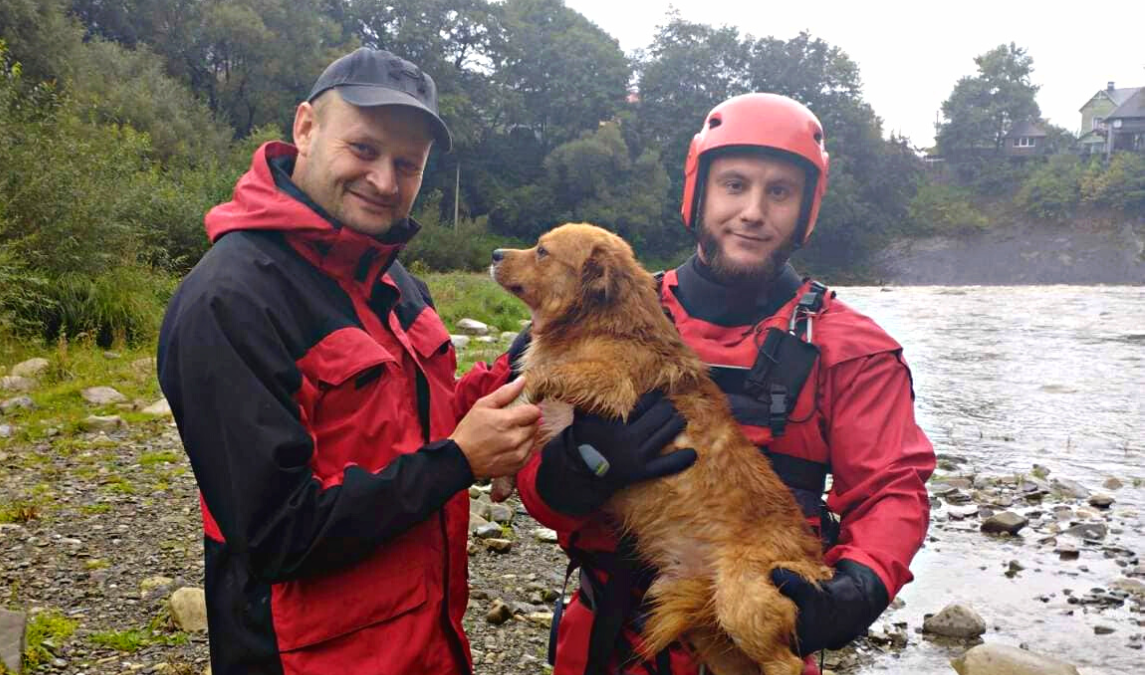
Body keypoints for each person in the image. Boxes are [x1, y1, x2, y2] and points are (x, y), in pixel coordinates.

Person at [156, 46, 605, 674]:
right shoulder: (230, 300)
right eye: (364, 150)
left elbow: (423, 419)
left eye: (408, 164)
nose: (386, 182)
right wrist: (458, 461)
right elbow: (275, 534)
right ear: (306, 128)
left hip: (427, 643)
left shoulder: (393, 279)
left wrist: (526, 361)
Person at [515, 93, 937, 675]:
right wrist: (565, 477)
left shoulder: (853, 349)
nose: (754, 212)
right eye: (734, 185)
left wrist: (862, 583)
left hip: (748, 639)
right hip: (608, 646)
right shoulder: (598, 309)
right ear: (699, 192)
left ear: (806, 210)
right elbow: (508, 458)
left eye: (780, 192)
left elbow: (892, 489)